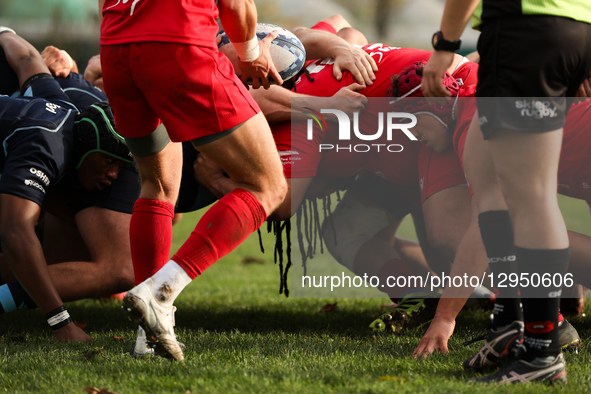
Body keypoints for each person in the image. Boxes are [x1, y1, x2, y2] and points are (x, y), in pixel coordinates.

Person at [99, 0, 288, 361]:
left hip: (117, 47)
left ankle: (149, 333)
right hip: (179, 45)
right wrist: (249, 53)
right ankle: (160, 292)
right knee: (267, 185)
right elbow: (236, 4)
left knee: (156, 186)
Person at [0, 29, 133, 343]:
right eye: (109, 162)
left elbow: (28, 59)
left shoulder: (64, 109)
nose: (113, 175)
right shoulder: (48, 145)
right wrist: (62, 323)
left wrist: (5, 32)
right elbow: (15, 231)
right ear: (86, 149)